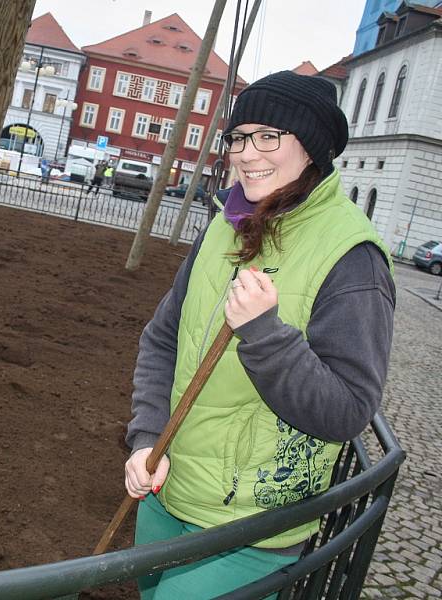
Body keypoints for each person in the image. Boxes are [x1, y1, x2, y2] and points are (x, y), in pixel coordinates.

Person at [124, 71, 395, 599]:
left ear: (312, 147)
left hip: (249, 525)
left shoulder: (352, 259)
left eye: (269, 136)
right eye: (239, 137)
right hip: (166, 486)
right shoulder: (226, 221)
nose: (248, 153)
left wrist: (265, 335)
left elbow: (347, 411)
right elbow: (163, 339)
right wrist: (147, 438)